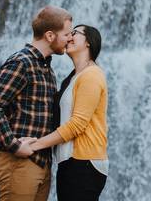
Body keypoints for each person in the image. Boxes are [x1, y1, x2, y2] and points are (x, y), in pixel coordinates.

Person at [0, 5, 73, 201]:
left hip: (41, 162)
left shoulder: (47, 69)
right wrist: (14, 145)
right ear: (50, 36)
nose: (70, 38)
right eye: (66, 34)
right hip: (18, 162)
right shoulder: (21, 63)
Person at [17, 24, 109, 201]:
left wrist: (35, 145)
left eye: (74, 32)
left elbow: (76, 125)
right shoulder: (75, 76)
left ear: (89, 42)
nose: (69, 37)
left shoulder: (92, 75)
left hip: (85, 163)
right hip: (72, 163)